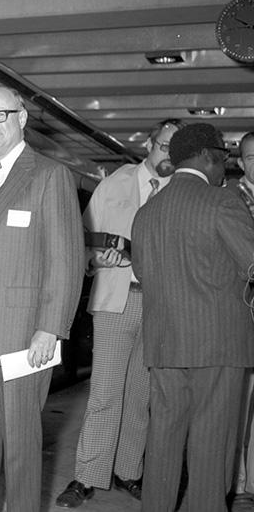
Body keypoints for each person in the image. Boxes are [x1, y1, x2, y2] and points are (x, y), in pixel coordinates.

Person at [0, 85, 84, 512]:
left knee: (22, 451)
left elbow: (65, 260)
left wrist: (51, 328)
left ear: (22, 118)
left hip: (23, 339)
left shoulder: (49, 175)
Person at [55, 118, 185, 508]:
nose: (168, 156)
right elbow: (79, 241)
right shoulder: (114, 184)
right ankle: (86, 475)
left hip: (162, 305)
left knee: (141, 395)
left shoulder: (183, 190)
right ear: (149, 142)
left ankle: (129, 471)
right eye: (164, 146)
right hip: (117, 299)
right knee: (105, 392)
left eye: (175, 151)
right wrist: (96, 257)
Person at [131, 122, 254, 512]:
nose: (225, 170)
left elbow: (141, 272)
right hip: (218, 346)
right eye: (223, 161)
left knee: (163, 444)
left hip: (165, 345)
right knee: (210, 447)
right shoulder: (222, 201)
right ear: (207, 157)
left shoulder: (148, 211)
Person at [229, 130, 254, 512]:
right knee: (239, 407)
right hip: (241, 317)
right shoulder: (227, 199)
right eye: (250, 156)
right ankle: (240, 486)